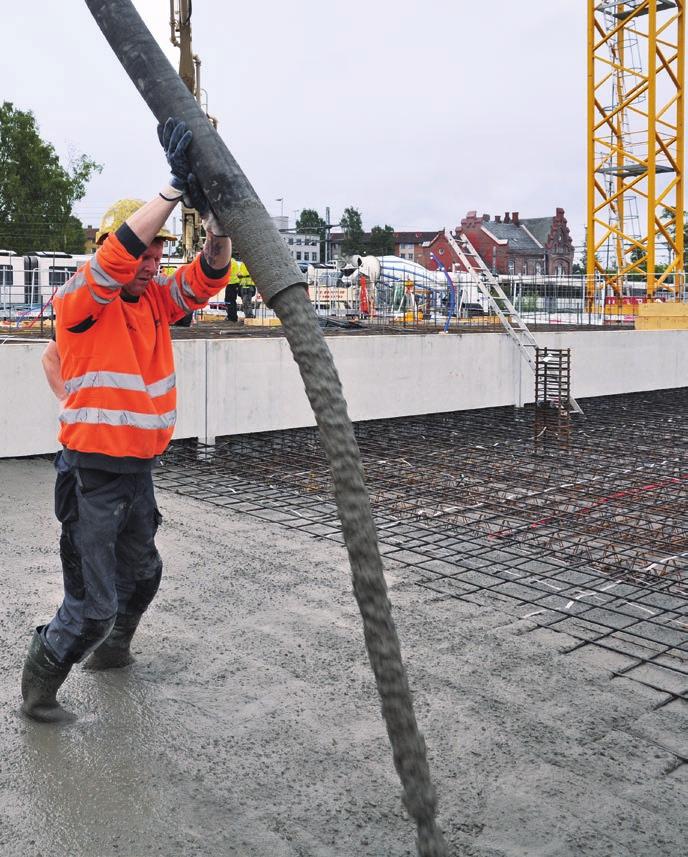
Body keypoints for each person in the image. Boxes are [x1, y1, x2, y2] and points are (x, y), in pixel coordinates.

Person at [20, 117, 232, 724]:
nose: (153, 260)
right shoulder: (83, 296)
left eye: (160, 251)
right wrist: (170, 189)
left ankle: (111, 653)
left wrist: (215, 230)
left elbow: (207, 278)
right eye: (147, 248)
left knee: (143, 577)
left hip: (138, 470)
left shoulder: (155, 302)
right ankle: (38, 695)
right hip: (92, 475)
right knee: (90, 604)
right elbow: (117, 260)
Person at [224, 256, 242, 322]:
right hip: (232, 283)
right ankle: (232, 316)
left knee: (230, 301)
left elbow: (227, 272)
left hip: (232, 283)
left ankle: (232, 317)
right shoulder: (233, 261)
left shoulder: (231, 262)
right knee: (230, 301)